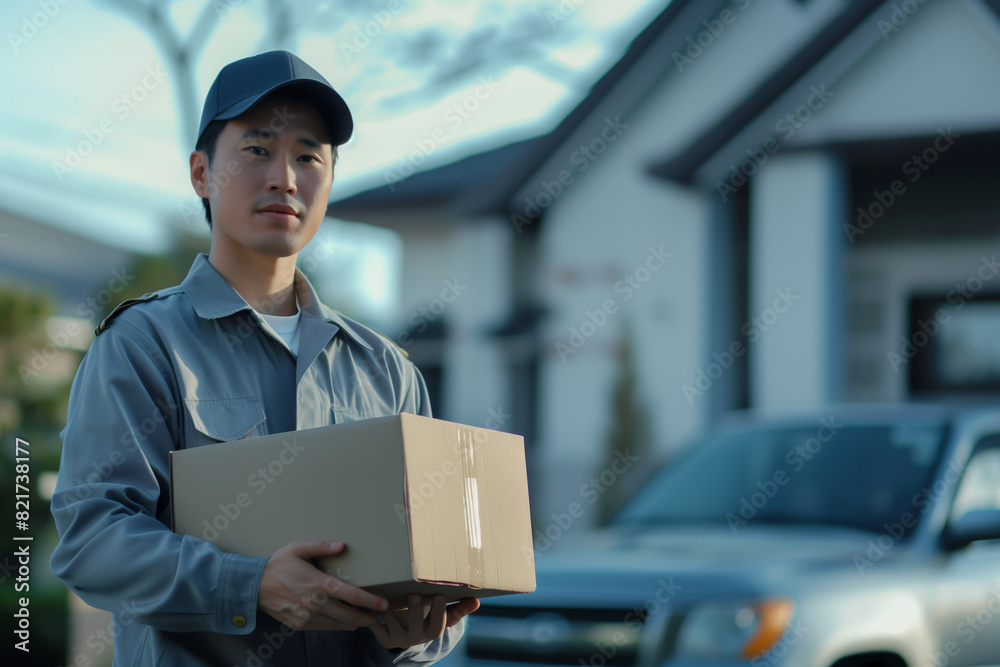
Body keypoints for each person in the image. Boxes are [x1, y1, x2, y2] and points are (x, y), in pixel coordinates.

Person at [49, 50, 478, 666]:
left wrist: (422, 631)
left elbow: (427, 566)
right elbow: (93, 542)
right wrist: (247, 584)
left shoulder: (387, 370)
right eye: (257, 150)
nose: (285, 177)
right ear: (201, 173)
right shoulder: (143, 344)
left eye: (308, 156)